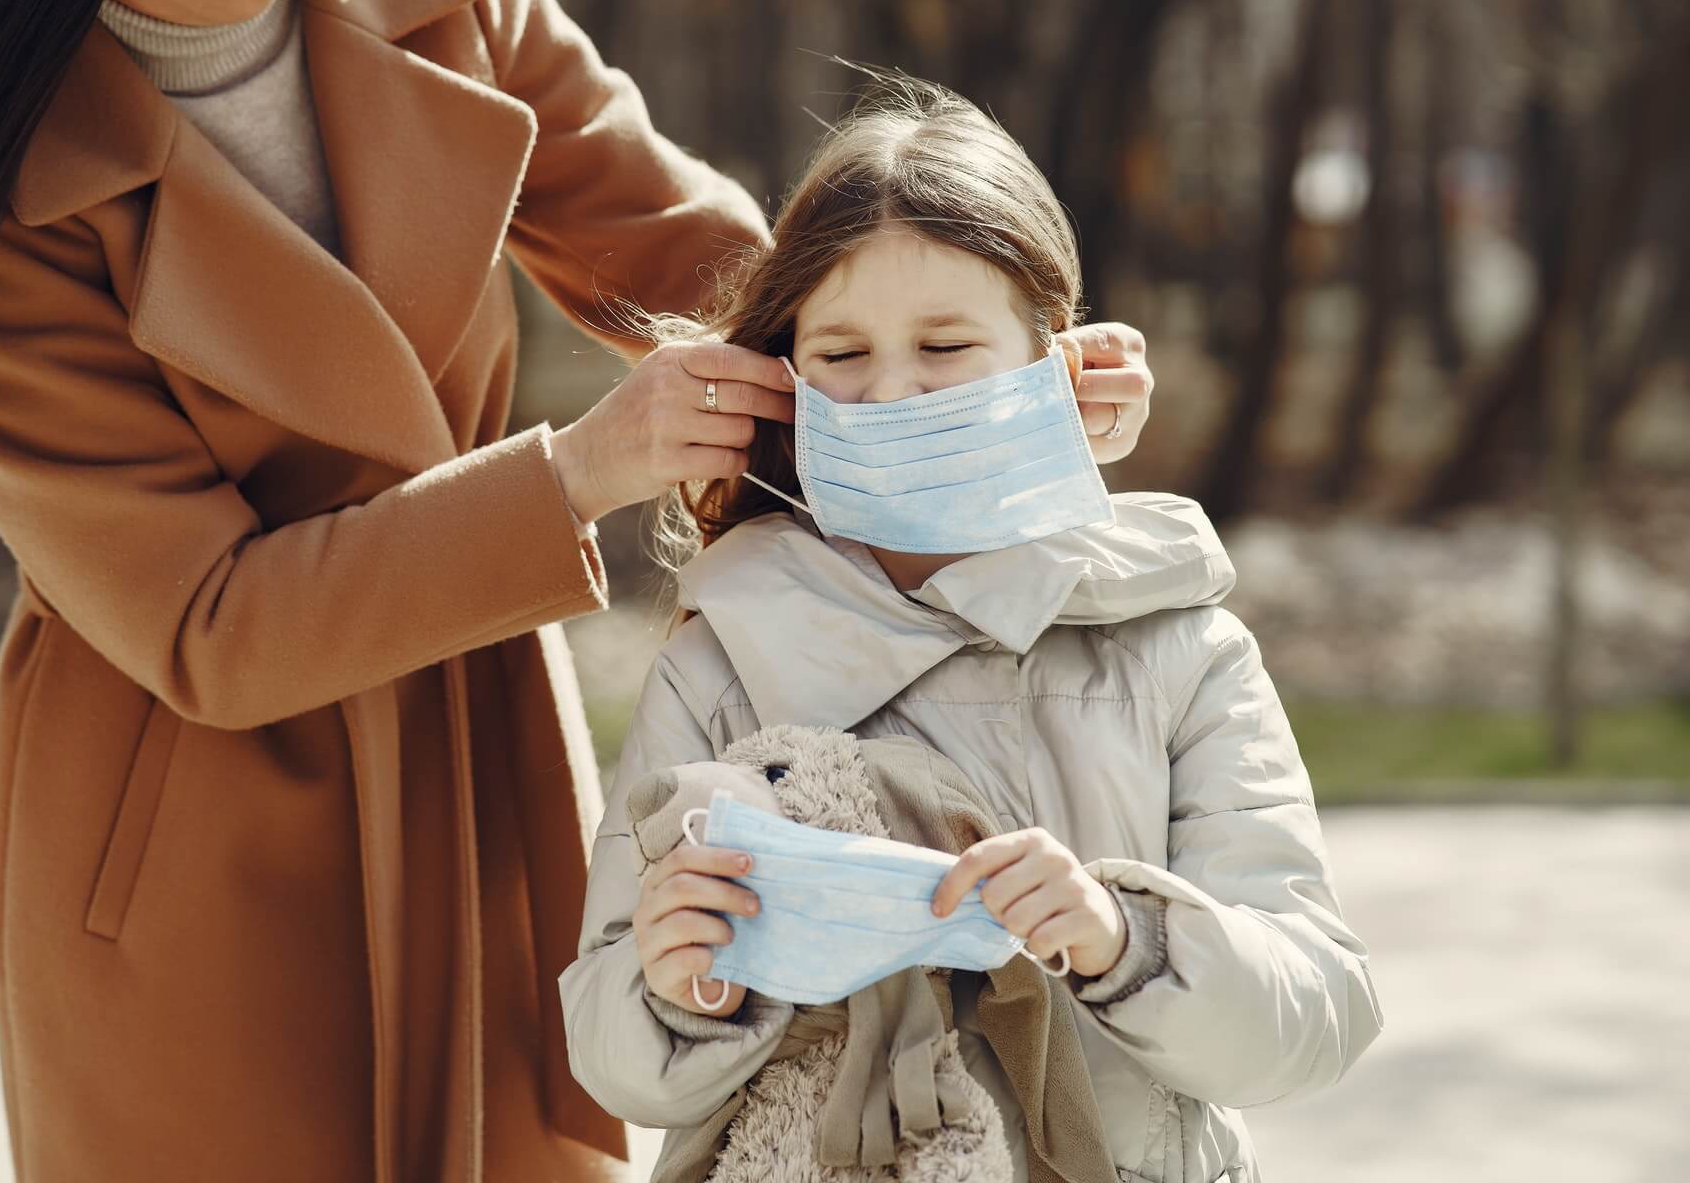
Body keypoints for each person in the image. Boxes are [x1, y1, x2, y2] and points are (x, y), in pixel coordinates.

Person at [0, 0, 1154, 1180]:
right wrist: (572, 475)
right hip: (188, 833)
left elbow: (714, 273)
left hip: (474, 753)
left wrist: (1005, 397)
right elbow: (208, 622)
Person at [559, 79, 1382, 1183]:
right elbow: (613, 1055)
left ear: (1055, 366)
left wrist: (1119, 939)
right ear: (789, 380)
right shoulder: (721, 658)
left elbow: (1319, 1011)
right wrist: (681, 982)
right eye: (842, 356)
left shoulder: (1181, 649)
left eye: (946, 346)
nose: (893, 392)